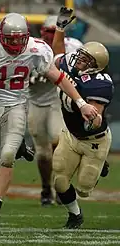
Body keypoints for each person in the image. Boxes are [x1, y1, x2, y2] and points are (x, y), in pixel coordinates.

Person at [0, 12, 97, 231]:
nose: (14, 43)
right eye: (10, 39)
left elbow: (58, 77)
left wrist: (81, 103)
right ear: (1, 35)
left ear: (26, 36)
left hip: (17, 106)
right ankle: (21, 147)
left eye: (19, 39)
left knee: (8, 156)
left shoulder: (36, 50)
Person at [52, 12, 113, 229]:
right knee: (59, 180)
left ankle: (100, 164)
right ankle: (75, 215)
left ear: (96, 66)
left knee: (84, 188)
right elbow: (57, 54)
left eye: (87, 59)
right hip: (70, 134)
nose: (79, 60)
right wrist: (60, 28)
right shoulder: (71, 62)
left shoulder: (100, 83)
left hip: (93, 139)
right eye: (81, 55)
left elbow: (95, 118)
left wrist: (90, 117)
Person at [28, 8, 83, 206]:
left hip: (58, 102)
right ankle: (45, 188)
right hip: (35, 102)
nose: (48, 34)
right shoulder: (31, 47)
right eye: (46, 30)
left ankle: (61, 187)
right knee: (42, 153)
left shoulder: (74, 47)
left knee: (59, 143)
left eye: (53, 31)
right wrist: (29, 79)